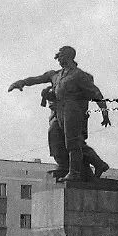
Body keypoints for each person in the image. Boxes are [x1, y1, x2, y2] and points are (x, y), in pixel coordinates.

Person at [8, 46, 111, 182]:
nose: (58, 59)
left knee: (72, 142)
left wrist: (104, 112)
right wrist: (21, 82)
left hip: (72, 109)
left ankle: (74, 172)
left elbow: (96, 93)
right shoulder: (55, 75)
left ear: (68, 57)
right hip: (58, 110)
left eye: (60, 56)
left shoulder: (79, 75)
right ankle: (70, 165)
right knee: (55, 137)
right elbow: (38, 78)